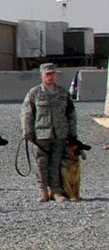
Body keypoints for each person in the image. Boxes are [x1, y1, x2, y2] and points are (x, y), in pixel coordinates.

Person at [20, 62, 76, 204]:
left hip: (60, 134)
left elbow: (71, 114)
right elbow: (27, 113)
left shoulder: (62, 93)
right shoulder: (34, 93)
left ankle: (56, 191)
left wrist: (72, 133)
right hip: (40, 135)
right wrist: (28, 131)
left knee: (56, 163)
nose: (50, 76)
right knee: (41, 164)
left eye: (52, 73)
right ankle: (43, 190)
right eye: (47, 74)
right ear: (42, 75)